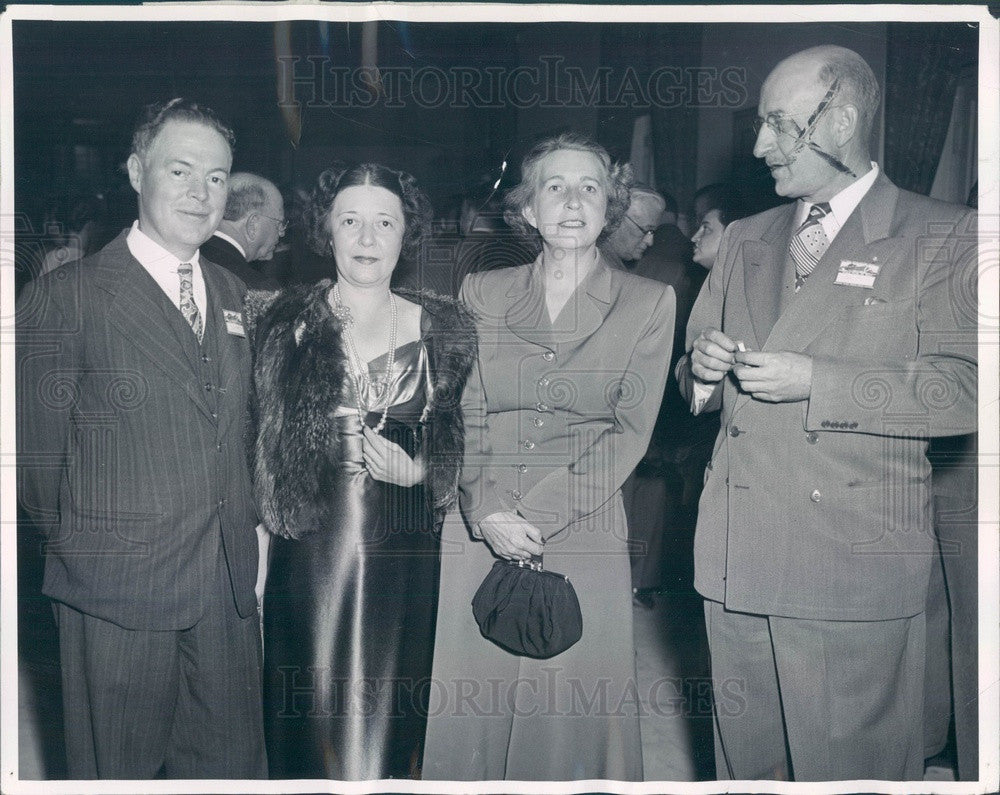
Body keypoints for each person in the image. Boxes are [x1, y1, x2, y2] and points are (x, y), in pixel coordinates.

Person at [676, 46, 977, 781]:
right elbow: (688, 379)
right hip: (735, 555)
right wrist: (703, 371)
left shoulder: (946, 234)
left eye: (779, 125)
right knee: (747, 765)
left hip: (850, 563)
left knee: (849, 770)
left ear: (839, 122)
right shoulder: (745, 237)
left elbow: (964, 389)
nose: (757, 146)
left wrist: (820, 381)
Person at [16, 98, 266, 779]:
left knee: (233, 774)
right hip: (115, 593)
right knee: (116, 776)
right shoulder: (65, 297)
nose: (200, 192)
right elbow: (36, 467)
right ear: (134, 171)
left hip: (225, 591)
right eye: (180, 170)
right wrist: (97, 551)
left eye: (216, 177)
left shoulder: (232, 292)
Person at [423, 132, 676, 781]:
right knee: (471, 696)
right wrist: (486, 509)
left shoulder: (648, 303)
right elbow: (464, 405)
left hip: (583, 517)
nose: (571, 200)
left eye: (590, 187)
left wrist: (532, 515)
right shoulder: (482, 289)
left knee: (567, 706)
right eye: (554, 186)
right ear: (528, 210)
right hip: (480, 516)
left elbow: (630, 428)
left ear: (609, 206)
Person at [248, 163, 476, 780]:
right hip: (312, 552)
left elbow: (464, 441)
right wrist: (260, 555)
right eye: (351, 221)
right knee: (310, 704)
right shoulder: (281, 322)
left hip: (404, 551)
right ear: (327, 231)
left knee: (391, 706)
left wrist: (422, 473)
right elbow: (261, 451)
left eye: (384, 223)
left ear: (407, 235)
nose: (367, 239)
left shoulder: (446, 328)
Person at [200, 172, 285, 289]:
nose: (282, 233)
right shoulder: (258, 289)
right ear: (253, 225)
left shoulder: (179, 259)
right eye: (279, 224)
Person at [601, 183, 665, 270]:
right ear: (615, 218)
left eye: (652, 232)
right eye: (646, 230)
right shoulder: (600, 268)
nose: (650, 242)